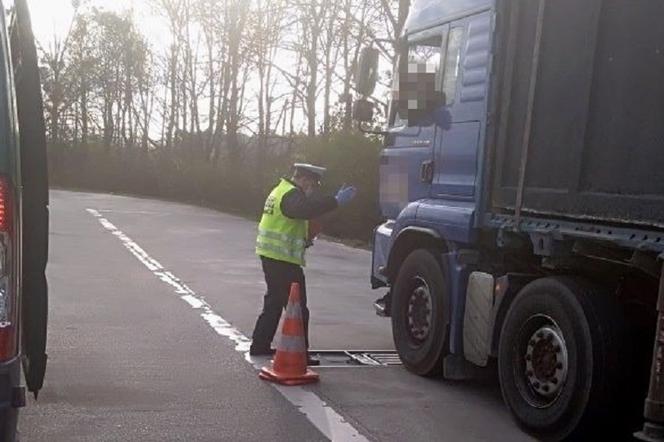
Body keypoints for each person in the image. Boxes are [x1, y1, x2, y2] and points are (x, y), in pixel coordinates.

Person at [250, 163, 357, 365]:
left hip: (272, 256)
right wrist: (334, 201)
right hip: (283, 260)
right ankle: (299, 354)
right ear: (305, 179)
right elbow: (305, 210)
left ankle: (260, 345)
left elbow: (292, 219)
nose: (312, 189)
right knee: (297, 308)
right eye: (312, 184)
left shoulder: (280, 190)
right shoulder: (291, 194)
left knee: (274, 302)